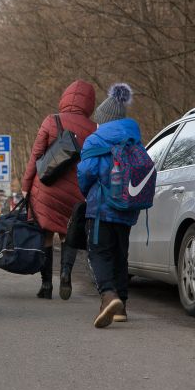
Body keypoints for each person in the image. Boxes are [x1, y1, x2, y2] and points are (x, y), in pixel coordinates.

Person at [22, 80, 97, 300]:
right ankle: (65, 274)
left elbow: (35, 156)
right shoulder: (94, 129)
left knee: (46, 234)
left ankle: (46, 285)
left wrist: (26, 187)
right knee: (67, 234)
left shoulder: (51, 121)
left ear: (65, 98)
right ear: (89, 103)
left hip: (46, 187)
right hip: (75, 192)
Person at [77, 83, 140, 328]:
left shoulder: (95, 140)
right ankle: (122, 306)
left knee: (98, 253)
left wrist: (85, 193)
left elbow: (86, 172)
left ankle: (108, 295)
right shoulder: (135, 138)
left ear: (103, 119)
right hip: (127, 207)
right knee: (119, 255)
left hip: (101, 208)